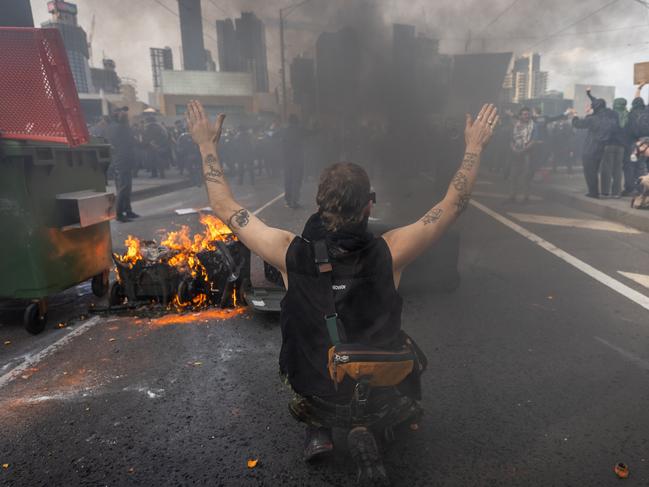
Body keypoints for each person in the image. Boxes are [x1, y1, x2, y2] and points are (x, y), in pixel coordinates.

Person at [185, 99, 499, 485]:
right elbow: (454, 203)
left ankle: (318, 429)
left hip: (318, 394)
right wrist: (474, 147)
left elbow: (223, 205)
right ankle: (376, 421)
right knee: (406, 353)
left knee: (301, 354)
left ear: (320, 203)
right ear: (369, 206)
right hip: (380, 389)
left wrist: (206, 145)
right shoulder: (392, 250)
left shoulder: (289, 251)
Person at [571, 89, 619, 198]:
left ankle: (593, 192)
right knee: (596, 170)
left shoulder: (593, 119)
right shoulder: (611, 117)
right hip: (602, 148)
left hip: (590, 148)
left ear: (595, 108)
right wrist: (589, 94)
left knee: (589, 171)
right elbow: (598, 102)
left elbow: (577, 124)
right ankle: (596, 191)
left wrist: (575, 115)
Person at [105, 107, 139, 222]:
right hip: (123, 160)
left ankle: (127, 210)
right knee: (123, 187)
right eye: (122, 113)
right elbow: (131, 141)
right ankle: (119, 213)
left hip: (121, 160)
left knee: (125, 187)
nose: (125, 115)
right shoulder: (120, 127)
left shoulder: (114, 126)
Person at [508, 107, 535, 203]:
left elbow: (533, 140)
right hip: (516, 153)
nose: (526, 116)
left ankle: (526, 198)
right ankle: (512, 197)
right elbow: (511, 140)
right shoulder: (516, 125)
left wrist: (523, 150)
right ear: (520, 116)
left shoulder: (533, 126)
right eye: (524, 114)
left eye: (528, 114)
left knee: (526, 177)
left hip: (527, 153)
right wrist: (514, 149)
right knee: (513, 176)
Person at [283, 114, 305, 208]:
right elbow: (311, 133)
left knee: (288, 180)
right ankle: (294, 201)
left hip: (287, 159)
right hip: (298, 159)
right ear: (297, 121)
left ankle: (288, 200)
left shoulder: (285, 130)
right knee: (296, 181)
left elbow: (273, 135)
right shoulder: (300, 130)